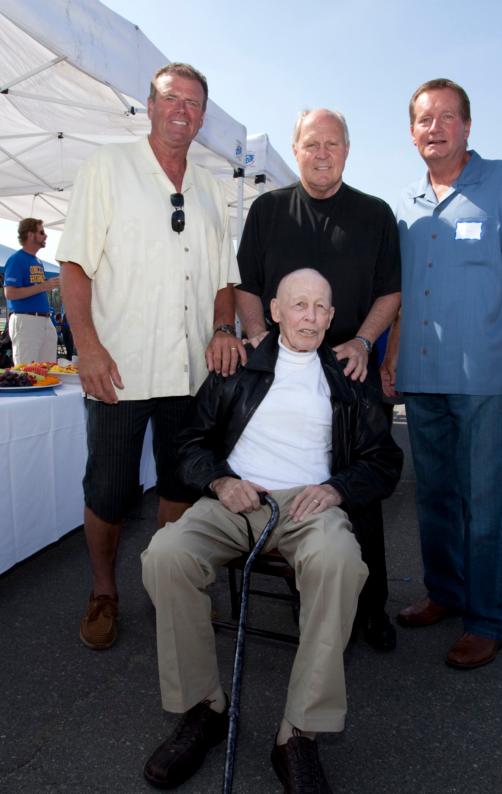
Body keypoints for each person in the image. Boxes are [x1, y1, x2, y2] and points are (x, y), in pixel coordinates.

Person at [141, 269, 403, 792]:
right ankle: (203, 710)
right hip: (238, 497)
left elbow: (384, 459)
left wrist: (338, 489)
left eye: (320, 307)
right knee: (165, 555)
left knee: (340, 564)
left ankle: (299, 734)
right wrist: (219, 480)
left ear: (331, 318)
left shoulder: (349, 376)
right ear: (276, 312)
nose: (310, 315)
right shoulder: (237, 365)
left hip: (311, 504)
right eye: (298, 305)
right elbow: (188, 444)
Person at [56, 63, 246, 651]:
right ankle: (104, 592)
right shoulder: (108, 167)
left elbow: (225, 279)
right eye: (172, 99)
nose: (183, 110)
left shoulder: (212, 188)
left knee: (180, 484)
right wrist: (86, 347)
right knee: (109, 491)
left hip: (191, 372)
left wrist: (222, 327)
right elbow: (75, 265)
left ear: (203, 115)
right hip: (119, 367)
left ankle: (167, 586)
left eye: (194, 103)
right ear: (150, 105)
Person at [381, 78, 502, 669]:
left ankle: (486, 619)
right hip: (423, 378)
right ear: (412, 133)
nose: (436, 128)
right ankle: (445, 593)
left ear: (467, 126)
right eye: (425, 119)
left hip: (486, 379)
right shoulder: (405, 205)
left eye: (448, 117)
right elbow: (402, 297)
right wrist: (391, 358)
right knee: (434, 497)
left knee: (484, 504)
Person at [236, 108, 402, 651]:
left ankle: (369, 607)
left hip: (348, 368)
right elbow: (246, 283)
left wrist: (362, 341)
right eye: (311, 144)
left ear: (347, 150)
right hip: (279, 366)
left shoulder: (375, 215)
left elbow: (390, 292)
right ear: (297, 148)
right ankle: (307, 593)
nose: (322, 153)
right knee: (289, 473)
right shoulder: (267, 210)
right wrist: (258, 332)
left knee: (359, 488)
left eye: (332, 143)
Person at [3, 218, 60, 365]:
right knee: (27, 371)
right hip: (26, 320)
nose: (45, 236)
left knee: (48, 371)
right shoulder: (16, 260)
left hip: (44, 320)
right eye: (41, 232)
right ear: (30, 235)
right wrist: (44, 286)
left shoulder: (38, 261)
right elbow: (10, 293)